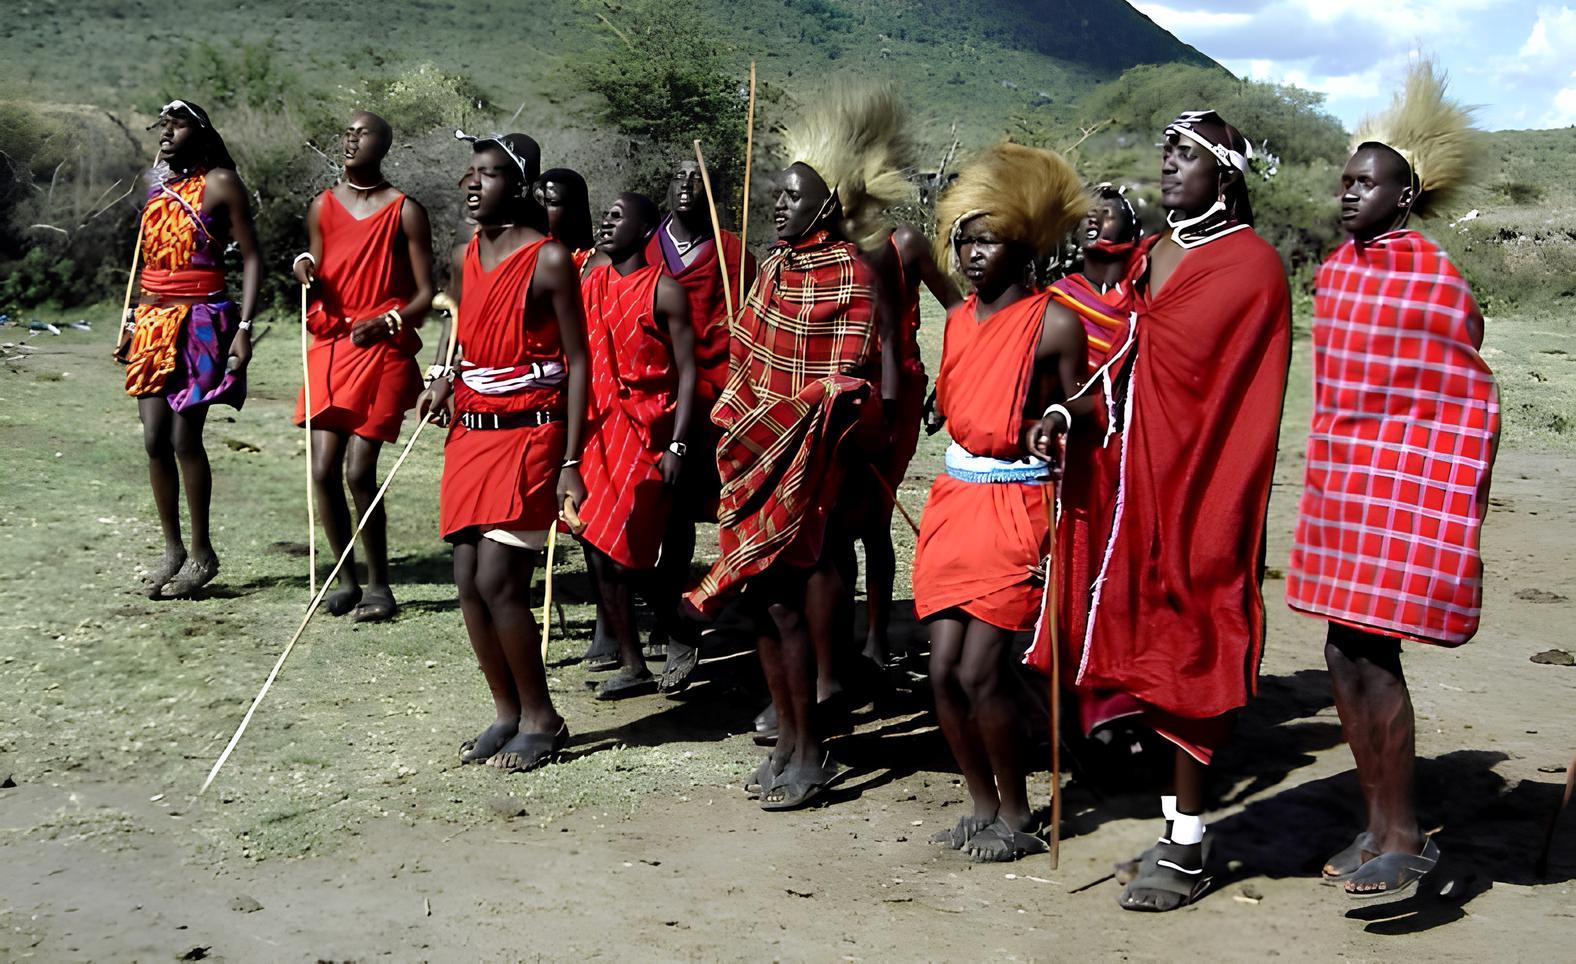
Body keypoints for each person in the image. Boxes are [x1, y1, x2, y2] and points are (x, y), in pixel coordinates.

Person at [1032, 110, 1291, 911]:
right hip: (1132, 485)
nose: (1168, 167)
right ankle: (1182, 827)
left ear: (1227, 173)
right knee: (1143, 638)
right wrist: (1070, 414)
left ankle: (1186, 844)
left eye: (1186, 157)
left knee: (1191, 643)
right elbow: (1126, 362)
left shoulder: (1251, 271)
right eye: (1166, 155)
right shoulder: (1156, 256)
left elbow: (1238, 401)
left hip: (1206, 485)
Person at [1286, 62, 1497, 900]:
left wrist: (1423, 458)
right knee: (1343, 651)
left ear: (1403, 197)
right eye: (1343, 182)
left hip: (1403, 488)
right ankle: (1376, 823)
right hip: (1347, 485)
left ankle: (1405, 830)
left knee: (1375, 655)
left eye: (1365, 184)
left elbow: (1460, 379)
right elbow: (1342, 390)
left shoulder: (1428, 272)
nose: (1348, 196)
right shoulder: (1340, 272)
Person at [683, 86, 909, 810]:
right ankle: (786, 741)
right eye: (774, 196)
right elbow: (746, 359)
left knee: (795, 606)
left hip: (812, 467)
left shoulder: (851, 273)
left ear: (823, 207)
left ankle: (813, 752)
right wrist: (742, 417)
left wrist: (779, 417)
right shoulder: (775, 269)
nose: (777, 206)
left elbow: (846, 379)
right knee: (763, 607)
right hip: (755, 455)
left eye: (790, 198)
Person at [911, 142, 1089, 862]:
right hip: (955, 501)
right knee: (941, 670)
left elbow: (1087, 402)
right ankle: (981, 802)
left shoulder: (1055, 323)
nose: (974, 254)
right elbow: (958, 392)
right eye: (966, 240)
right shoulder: (956, 323)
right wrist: (938, 402)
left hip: (1016, 508)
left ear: (1024, 247)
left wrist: (1058, 420)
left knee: (984, 668)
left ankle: (1018, 812)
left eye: (989, 241)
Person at [415, 131, 589, 773]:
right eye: (470, 173)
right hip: (471, 431)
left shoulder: (548, 260)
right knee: (466, 581)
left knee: (499, 580)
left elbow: (578, 363)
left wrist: (571, 462)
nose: (471, 184)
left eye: (486, 174)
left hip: (532, 433)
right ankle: (506, 711)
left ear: (515, 187)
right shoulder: (464, 255)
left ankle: (543, 717)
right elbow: (459, 330)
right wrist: (441, 378)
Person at [291, 110, 436, 622]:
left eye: (363, 132)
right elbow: (318, 264)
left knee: (359, 470)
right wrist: (304, 268)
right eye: (347, 132)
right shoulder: (321, 206)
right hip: (332, 342)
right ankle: (344, 578)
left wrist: (388, 320)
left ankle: (380, 585)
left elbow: (425, 293)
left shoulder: (405, 211)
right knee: (323, 468)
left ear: (385, 144)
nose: (351, 138)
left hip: (382, 347)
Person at [115, 100, 261, 599]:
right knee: (153, 436)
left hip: (200, 321)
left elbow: (252, 257)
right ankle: (173, 549)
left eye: (176, 126)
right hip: (153, 321)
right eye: (162, 127)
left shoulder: (221, 184)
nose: (165, 134)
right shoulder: (159, 188)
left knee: (183, 437)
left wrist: (243, 326)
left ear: (199, 133)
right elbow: (146, 261)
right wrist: (131, 322)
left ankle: (202, 553)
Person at [576, 192, 697, 700]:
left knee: (627, 551)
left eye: (618, 215)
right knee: (596, 547)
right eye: (606, 213)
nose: (606, 221)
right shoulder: (590, 284)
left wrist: (679, 446)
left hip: (647, 432)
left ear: (648, 229)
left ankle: (682, 630)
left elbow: (688, 373)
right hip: (596, 427)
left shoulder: (665, 291)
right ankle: (631, 663)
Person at [645, 155, 758, 693]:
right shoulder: (647, 246)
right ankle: (668, 628)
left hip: (718, 399)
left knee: (724, 512)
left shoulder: (734, 252)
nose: (686, 185)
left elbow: (755, 319)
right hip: (658, 396)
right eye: (678, 175)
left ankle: (710, 622)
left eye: (698, 179)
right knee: (664, 518)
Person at [853, 224, 960, 671]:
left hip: (896, 393)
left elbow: (960, 309)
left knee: (876, 515)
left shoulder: (905, 245)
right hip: (835, 385)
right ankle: (836, 641)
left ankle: (877, 639)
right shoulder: (819, 240)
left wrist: (949, 384)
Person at [536, 167, 596, 270]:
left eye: (552, 202)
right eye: (536, 202)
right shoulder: (526, 259)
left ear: (575, 208)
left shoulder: (597, 267)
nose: (540, 210)